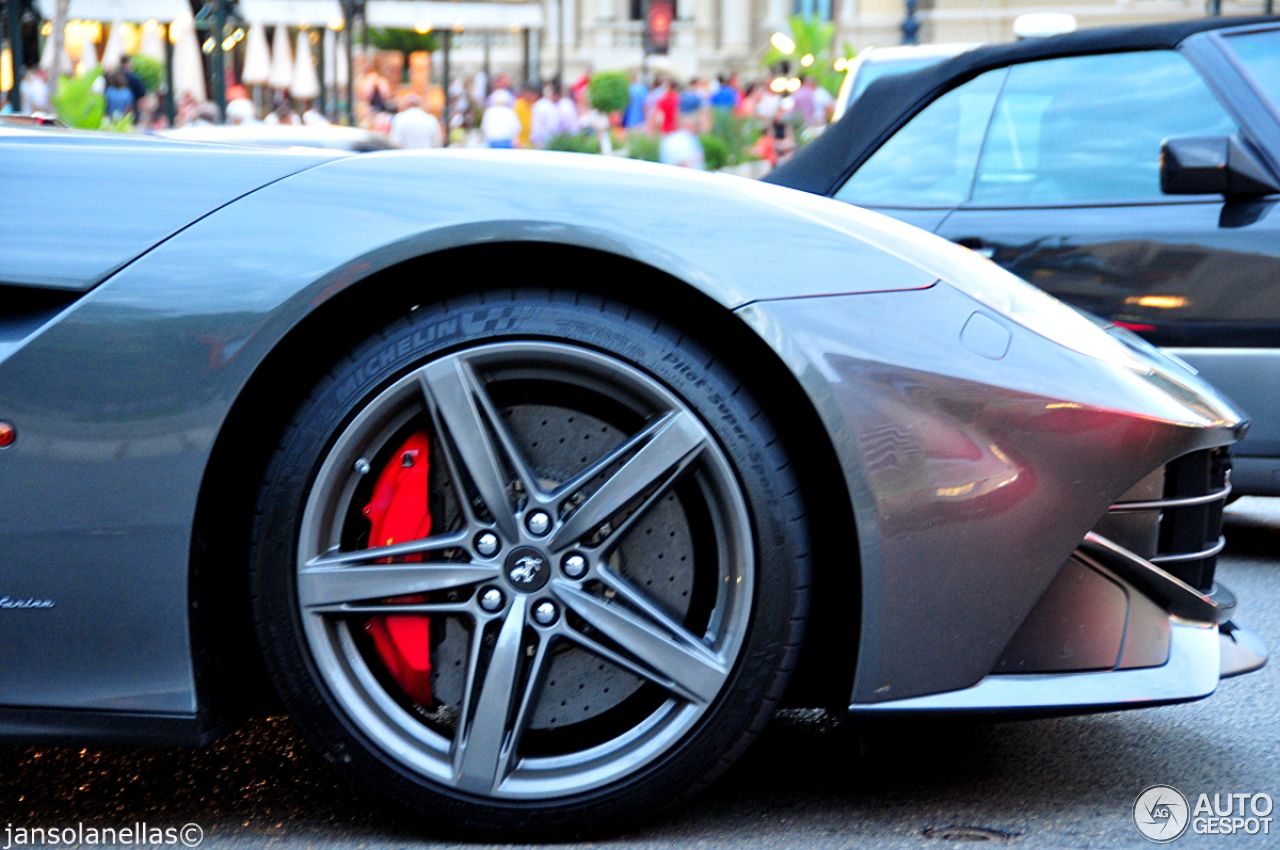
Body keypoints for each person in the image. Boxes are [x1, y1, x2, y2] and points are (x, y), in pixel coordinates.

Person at [659, 91, 705, 170]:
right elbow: (684, 170)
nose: (704, 119)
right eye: (701, 114)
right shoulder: (678, 141)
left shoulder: (689, 138)